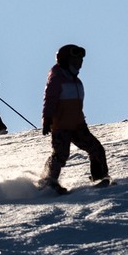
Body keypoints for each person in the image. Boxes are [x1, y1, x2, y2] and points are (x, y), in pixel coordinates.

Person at [38, 44, 110, 192]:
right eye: (75, 62)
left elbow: (76, 107)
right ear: (65, 61)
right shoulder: (57, 78)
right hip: (61, 126)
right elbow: (49, 99)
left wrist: (82, 123)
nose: (79, 65)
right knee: (60, 154)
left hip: (77, 126)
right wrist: (47, 119)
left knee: (96, 148)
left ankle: (100, 176)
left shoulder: (77, 82)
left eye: (80, 62)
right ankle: (48, 181)